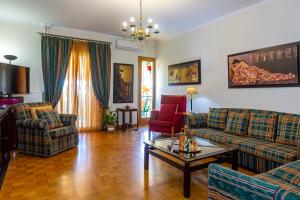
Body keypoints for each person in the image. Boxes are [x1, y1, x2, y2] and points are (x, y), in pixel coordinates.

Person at [230, 59, 296, 85]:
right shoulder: (241, 64)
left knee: (269, 76)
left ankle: (253, 78)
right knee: (268, 76)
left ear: (236, 62)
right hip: (251, 71)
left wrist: (233, 67)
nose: (235, 65)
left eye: (234, 64)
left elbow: (235, 69)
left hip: (252, 71)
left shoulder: (241, 63)